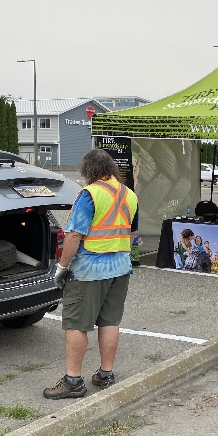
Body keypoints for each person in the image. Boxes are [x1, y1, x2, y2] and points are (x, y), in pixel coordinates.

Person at [44, 148, 139, 399]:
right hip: (120, 268)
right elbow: (132, 233)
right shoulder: (129, 194)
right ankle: (106, 374)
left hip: (88, 271)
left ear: (89, 170)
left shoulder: (90, 194)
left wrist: (62, 268)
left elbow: (74, 235)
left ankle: (73, 381)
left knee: (77, 324)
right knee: (110, 322)